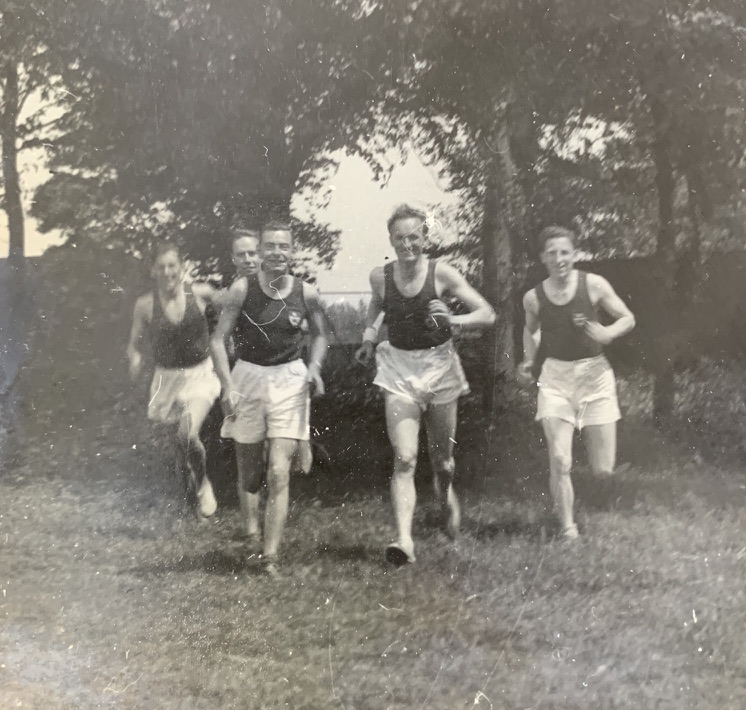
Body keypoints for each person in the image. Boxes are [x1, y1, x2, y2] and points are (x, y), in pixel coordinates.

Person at [356, 204, 496, 566]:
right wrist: (369, 338)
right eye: (399, 238)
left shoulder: (442, 273)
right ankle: (404, 541)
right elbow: (377, 305)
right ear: (391, 240)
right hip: (399, 367)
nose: (407, 244)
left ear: (425, 238)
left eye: (414, 237)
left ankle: (445, 493)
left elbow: (488, 314)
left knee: (443, 461)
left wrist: (454, 320)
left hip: (439, 367)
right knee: (404, 457)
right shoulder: (380, 276)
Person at [210, 220, 328, 575]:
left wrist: (315, 367)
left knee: (279, 470)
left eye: (284, 247)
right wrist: (227, 384)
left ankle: (270, 556)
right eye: (270, 246)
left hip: (289, 380)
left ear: (292, 252)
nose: (277, 253)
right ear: (260, 251)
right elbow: (217, 340)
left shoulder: (306, 294)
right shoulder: (242, 290)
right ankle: (251, 532)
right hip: (248, 377)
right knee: (250, 476)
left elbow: (321, 335)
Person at [518, 226, 636, 539]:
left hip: (595, 376)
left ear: (575, 254)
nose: (559, 259)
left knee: (603, 470)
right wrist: (530, 359)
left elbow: (627, 317)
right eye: (552, 253)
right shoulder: (533, 297)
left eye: (565, 252)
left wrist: (609, 333)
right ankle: (567, 527)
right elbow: (530, 331)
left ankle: (586, 504)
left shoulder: (593, 284)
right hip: (556, 378)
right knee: (560, 459)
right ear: (543, 257)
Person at [127, 242, 222, 518]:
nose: (168, 272)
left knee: (187, 433)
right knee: (181, 453)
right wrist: (134, 359)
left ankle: (204, 485)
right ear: (153, 271)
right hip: (166, 381)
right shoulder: (145, 305)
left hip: (200, 375)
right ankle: (192, 507)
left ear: (182, 268)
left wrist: (224, 345)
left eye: (172, 266)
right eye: (161, 267)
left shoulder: (201, 293)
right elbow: (133, 344)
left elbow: (229, 315)